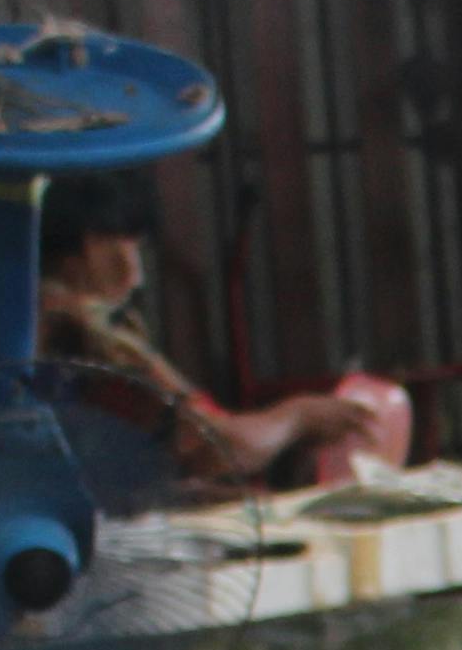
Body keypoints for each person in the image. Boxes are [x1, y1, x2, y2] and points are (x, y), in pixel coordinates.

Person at [34, 173, 383, 490]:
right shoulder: (85, 336)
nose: (136, 273)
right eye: (130, 245)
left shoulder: (32, 323)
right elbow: (218, 445)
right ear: (90, 243)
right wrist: (298, 416)